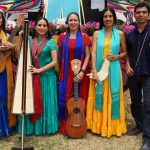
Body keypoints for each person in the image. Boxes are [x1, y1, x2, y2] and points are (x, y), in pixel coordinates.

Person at [86, 8, 127, 138]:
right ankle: (98, 125)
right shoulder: (97, 34)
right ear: (102, 19)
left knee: (112, 95)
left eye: (110, 16)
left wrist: (116, 57)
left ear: (114, 18)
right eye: (105, 16)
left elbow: (125, 52)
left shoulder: (120, 34)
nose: (108, 19)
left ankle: (113, 126)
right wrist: (93, 69)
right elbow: (93, 52)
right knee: (100, 95)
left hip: (113, 70)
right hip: (99, 69)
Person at [18, 17, 59, 135]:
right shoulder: (30, 40)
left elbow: (54, 61)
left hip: (47, 77)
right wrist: (22, 37)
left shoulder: (51, 42)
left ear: (48, 28)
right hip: (32, 77)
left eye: (44, 25)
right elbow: (22, 55)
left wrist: (39, 70)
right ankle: (32, 128)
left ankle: (45, 128)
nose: (41, 27)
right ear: (35, 27)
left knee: (46, 104)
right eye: (39, 25)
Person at [57, 12, 91, 134]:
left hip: (80, 73)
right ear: (67, 22)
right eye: (70, 20)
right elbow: (60, 55)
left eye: (75, 20)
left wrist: (82, 71)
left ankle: (79, 122)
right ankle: (64, 125)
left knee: (79, 99)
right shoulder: (62, 37)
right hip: (65, 72)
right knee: (63, 97)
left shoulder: (84, 37)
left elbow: (88, 56)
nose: (73, 22)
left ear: (79, 22)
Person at [126, 2, 150, 150]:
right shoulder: (130, 34)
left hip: (148, 75)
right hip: (133, 74)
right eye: (138, 12)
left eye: (144, 12)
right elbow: (127, 54)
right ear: (134, 14)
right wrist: (127, 65)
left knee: (148, 105)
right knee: (135, 103)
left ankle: (147, 138)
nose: (141, 15)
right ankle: (139, 126)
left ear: (148, 15)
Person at [0, 11, 16, 137]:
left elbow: (14, 56)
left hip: (5, 71)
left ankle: (5, 127)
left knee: (4, 98)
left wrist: (12, 47)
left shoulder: (7, 35)